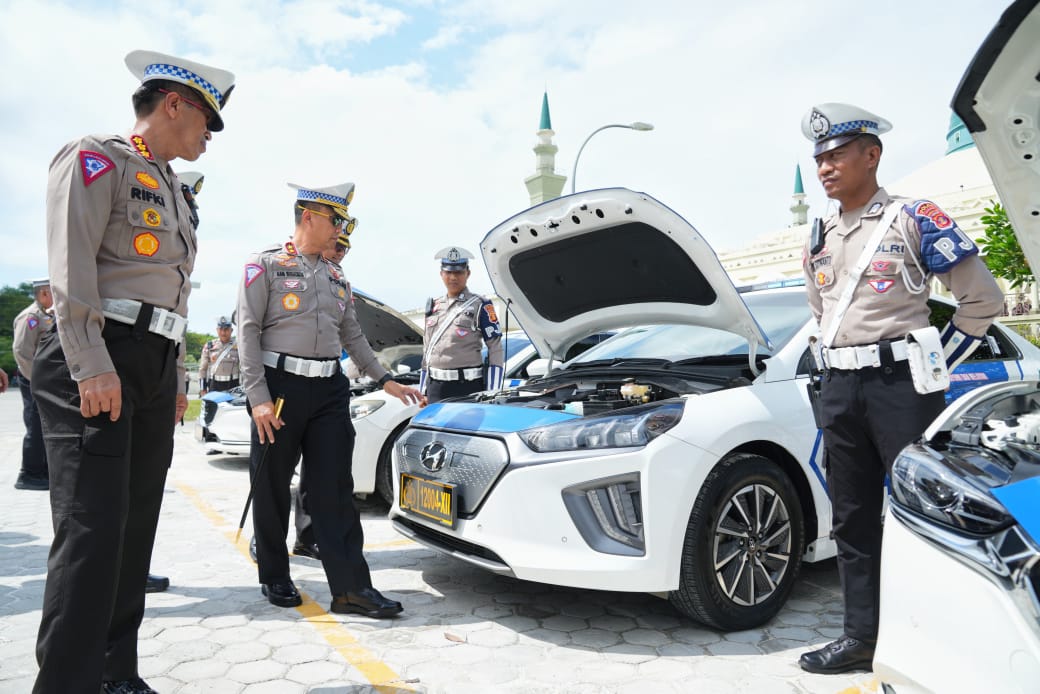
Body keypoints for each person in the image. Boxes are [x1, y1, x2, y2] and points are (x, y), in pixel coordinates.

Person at [33, 49, 234, 694]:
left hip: (153, 360)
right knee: (92, 531)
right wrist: (90, 363)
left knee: (134, 525)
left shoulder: (173, 186)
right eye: (207, 119)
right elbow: (72, 267)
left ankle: (116, 672)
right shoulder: (96, 157)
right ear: (174, 103)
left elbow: (172, 295)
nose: (209, 134)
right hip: (99, 353)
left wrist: (174, 380)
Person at [798, 103, 1003, 675]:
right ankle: (861, 637)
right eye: (818, 159)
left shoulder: (916, 218)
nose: (825, 168)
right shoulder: (818, 234)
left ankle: (944, 640)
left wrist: (934, 362)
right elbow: (820, 314)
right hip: (839, 387)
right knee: (852, 517)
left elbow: (983, 300)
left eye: (836, 154)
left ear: (872, 154)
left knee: (924, 512)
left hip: (900, 386)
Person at [237, 182, 421, 618]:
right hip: (280, 390)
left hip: (329, 391)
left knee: (334, 489)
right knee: (272, 484)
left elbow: (352, 335)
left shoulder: (337, 276)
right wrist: (258, 397)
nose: (341, 230)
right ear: (309, 218)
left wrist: (384, 379)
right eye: (336, 221)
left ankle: (351, 588)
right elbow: (247, 330)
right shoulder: (264, 266)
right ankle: (275, 574)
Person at [420, 247, 504, 403]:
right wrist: (423, 390)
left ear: (468, 273)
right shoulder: (434, 307)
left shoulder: (481, 305)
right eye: (448, 272)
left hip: (467, 388)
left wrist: (493, 392)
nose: (453, 277)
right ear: (441, 274)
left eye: (458, 272)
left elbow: (495, 348)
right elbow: (427, 350)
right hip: (435, 388)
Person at [12, 278, 54, 491]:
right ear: (45, 294)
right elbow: (21, 352)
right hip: (32, 379)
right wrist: (35, 380)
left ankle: (43, 471)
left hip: (43, 381)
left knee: (45, 425)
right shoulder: (31, 317)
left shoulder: (46, 316)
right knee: (35, 426)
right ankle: (29, 474)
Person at [199, 315, 241, 394]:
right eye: (221, 329)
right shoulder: (209, 346)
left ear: (231, 330)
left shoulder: (239, 345)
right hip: (214, 385)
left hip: (233, 384)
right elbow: (202, 369)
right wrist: (203, 388)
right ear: (217, 330)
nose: (223, 332)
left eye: (226, 329)